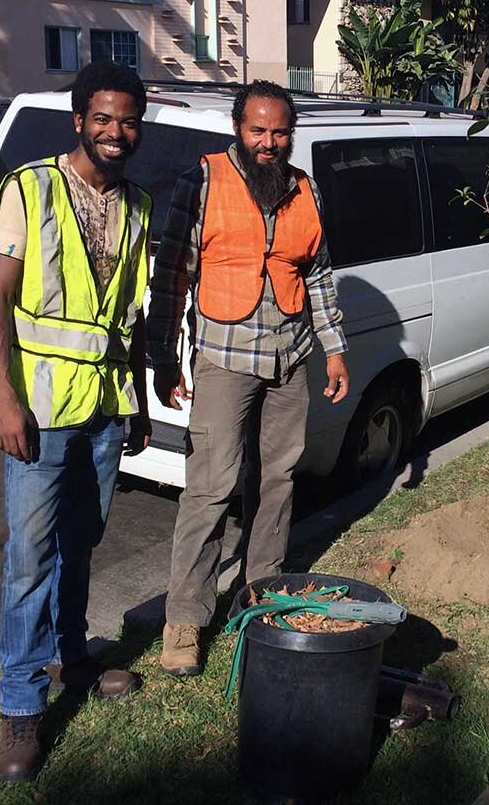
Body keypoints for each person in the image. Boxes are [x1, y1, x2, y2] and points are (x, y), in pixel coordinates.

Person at [0, 61, 152, 782]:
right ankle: (21, 709)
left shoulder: (138, 204)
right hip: (43, 408)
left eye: (129, 120)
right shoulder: (33, 186)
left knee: (80, 544)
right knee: (28, 560)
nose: (117, 132)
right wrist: (5, 398)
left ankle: (72, 658)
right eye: (104, 118)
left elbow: (132, 317)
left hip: (107, 408)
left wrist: (136, 400)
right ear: (79, 119)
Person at [148, 79, 348, 676]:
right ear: (239, 128)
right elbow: (173, 269)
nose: (268, 142)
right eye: (258, 130)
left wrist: (333, 350)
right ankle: (185, 618)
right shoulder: (203, 179)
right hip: (224, 357)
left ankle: (264, 593)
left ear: (291, 134)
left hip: (290, 356)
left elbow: (318, 276)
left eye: (279, 131)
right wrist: (164, 355)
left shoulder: (302, 189)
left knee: (278, 480)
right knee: (210, 487)